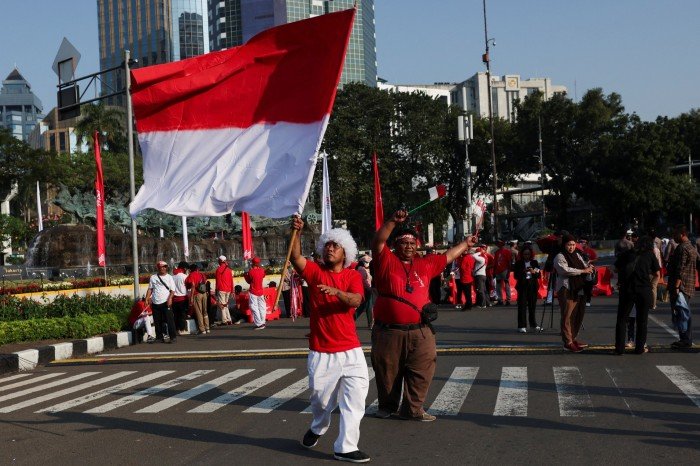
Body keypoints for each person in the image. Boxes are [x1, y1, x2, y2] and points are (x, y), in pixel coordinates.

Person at [371, 209, 477, 422]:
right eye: (403, 242)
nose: (408, 246)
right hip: (389, 332)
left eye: (412, 243)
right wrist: (392, 221)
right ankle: (388, 406)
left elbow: (448, 256)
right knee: (387, 372)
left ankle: (413, 409)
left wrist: (466, 243)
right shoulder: (386, 260)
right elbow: (378, 241)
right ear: (396, 245)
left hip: (421, 330)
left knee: (423, 369)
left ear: (417, 245)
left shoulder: (426, 264)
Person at [289, 216, 370, 464]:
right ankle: (318, 426)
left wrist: (337, 292)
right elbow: (295, 258)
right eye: (327, 244)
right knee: (322, 402)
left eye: (336, 245)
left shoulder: (353, 276)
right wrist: (296, 233)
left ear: (346, 251)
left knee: (355, 401)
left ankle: (345, 447)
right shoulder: (315, 272)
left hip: (351, 351)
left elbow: (357, 300)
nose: (330, 248)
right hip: (322, 353)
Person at [614, 235, 660, 354]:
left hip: (627, 289)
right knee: (642, 320)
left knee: (622, 319)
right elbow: (657, 273)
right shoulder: (650, 255)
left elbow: (616, 268)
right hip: (644, 289)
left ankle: (619, 349)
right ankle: (639, 348)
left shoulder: (626, 254)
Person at [554, 234, 595, 353]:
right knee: (567, 315)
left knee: (578, 314)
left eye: (573, 245)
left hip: (578, 288)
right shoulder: (559, 256)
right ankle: (568, 342)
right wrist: (583, 270)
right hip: (566, 288)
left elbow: (584, 265)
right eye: (568, 245)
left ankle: (573, 338)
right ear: (564, 245)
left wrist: (589, 267)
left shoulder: (577, 254)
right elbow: (564, 270)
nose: (571, 247)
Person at [667, 224, 696, 349]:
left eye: (675, 235)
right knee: (684, 311)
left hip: (681, 285)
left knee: (681, 312)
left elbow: (680, 269)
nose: (674, 238)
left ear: (682, 234)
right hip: (689, 284)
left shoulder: (682, 248)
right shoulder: (692, 247)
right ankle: (685, 338)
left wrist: (677, 286)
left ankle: (685, 339)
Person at [145, 260, 176, 343]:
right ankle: (159, 337)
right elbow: (150, 289)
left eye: (164, 267)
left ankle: (173, 337)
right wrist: (147, 298)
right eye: (161, 267)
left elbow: (173, 290)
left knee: (169, 320)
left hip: (165, 301)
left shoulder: (169, 277)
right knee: (157, 321)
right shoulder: (153, 277)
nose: (163, 268)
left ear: (166, 268)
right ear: (158, 268)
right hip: (155, 302)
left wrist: (170, 299)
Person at [513, 247, 541, 333]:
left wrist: (534, 272)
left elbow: (538, 274)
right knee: (522, 306)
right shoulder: (518, 263)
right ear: (522, 255)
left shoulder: (534, 262)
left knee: (532, 306)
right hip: (522, 286)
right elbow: (515, 276)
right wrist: (523, 271)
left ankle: (533, 325)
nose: (527, 256)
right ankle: (521, 325)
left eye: (528, 254)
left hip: (532, 285)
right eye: (525, 254)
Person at [185, 263, 210, 334]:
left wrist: (192, 297)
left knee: (199, 312)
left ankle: (202, 329)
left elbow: (192, 285)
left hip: (197, 294)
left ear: (190, 269)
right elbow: (205, 282)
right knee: (205, 311)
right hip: (204, 293)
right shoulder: (201, 274)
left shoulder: (191, 275)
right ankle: (207, 327)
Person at [244, 257, 267, 329]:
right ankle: (262, 321)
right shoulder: (262, 270)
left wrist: (245, 275)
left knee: (254, 307)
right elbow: (263, 275)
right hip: (260, 290)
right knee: (262, 307)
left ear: (252, 263)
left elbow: (248, 281)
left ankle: (259, 323)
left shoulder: (251, 272)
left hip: (253, 291)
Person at [355, 256, 375, 328]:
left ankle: (370, 323)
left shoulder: (363, 269)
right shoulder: (361, 269)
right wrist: (369, 288)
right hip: (366, 289)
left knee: (364, 306)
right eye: (366, 262)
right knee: (368, 306)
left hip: (367, 289)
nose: (367, 263)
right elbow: (364, 281)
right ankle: (371, 324)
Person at [578, 238, 598, 307]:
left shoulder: (590, 251)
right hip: (580, 271)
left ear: (587, 243)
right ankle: (582, 300)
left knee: (588, 286)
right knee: (581, 286)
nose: (581, 243)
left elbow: (596, 259)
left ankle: (588, 300)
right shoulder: (578, 250)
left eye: (583, 242)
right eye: (580, 241)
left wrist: (590, 261)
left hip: (589, 270)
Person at [171, 261, 190, 335]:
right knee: (182, 315)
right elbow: (189, 286)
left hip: (174, 299)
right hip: (182, 298)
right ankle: (182, 329)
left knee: (175, 315)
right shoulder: (184, 276)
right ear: (184, 268)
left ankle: (177, 329)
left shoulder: (172, 276)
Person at [215, 255, 234, 325]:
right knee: (225, 304)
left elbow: (217, 281)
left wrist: (216, 290)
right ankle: (229, 319)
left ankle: (224, 320)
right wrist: (232, 291)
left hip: (221, 289)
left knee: (222, 305)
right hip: (228, 289)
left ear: (220, 261)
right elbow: (232, 281)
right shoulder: (229, 270)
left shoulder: (218, 270)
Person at [493, 240, 513, 306]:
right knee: (498, 286)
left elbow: (509, 262)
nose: (498, 245)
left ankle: (508, 300)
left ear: (502, 244)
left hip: (505, 270)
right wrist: (494, 271)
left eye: (499, 243)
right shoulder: (496, 252)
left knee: (506, 285)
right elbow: (495, 263)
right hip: (498, 271)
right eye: (497, 244)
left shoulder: (507, 251)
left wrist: (509, 271)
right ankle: (500, 299)